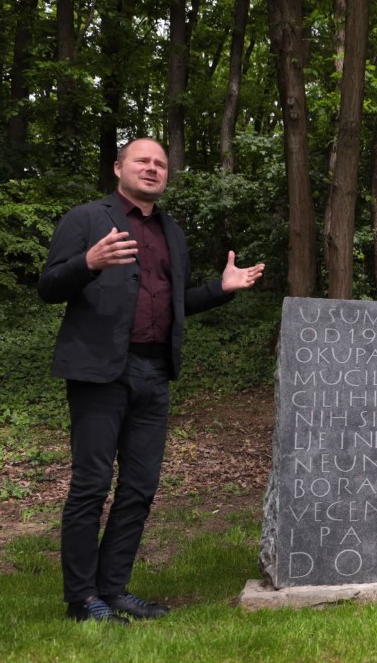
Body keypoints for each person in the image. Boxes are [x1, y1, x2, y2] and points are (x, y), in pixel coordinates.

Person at [39, 138, 265, 624]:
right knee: (91, 485)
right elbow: (48, 286)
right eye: (142, 160)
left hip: (154, 373)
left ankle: (113, 589)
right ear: (118, 167)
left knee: (140, 487)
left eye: (160, 164)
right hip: (99, 371)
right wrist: (88, 263)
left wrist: (221, 290)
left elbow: (176, 302)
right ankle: (82, 598)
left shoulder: (172, 232)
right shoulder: (86, 219)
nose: (152, 168)